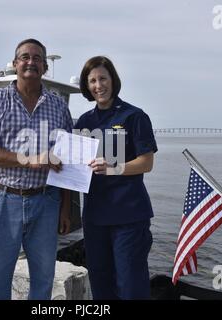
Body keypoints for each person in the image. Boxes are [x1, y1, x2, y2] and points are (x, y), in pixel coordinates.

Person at [0, 38, 73, 300]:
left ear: (45, 67)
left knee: (44, 279)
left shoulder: (59, 105)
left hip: (46, 201)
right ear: (15, 64)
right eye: (25, 57)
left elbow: (68, 161)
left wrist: (66, 207)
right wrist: (30, 158)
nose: (30, 62)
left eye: (37, 58)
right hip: (4, 200)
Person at [74, 56, 158, 300]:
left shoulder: (134, 116)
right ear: (86, 86)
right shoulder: (84, 121)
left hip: (128, 218)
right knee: (100, 284)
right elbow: (77, 167)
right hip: (95, 218)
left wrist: (113, 167)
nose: (98, 85)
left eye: (103, 78)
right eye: (92, 81)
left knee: (131, 287)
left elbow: (147, 162)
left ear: (113, 80)